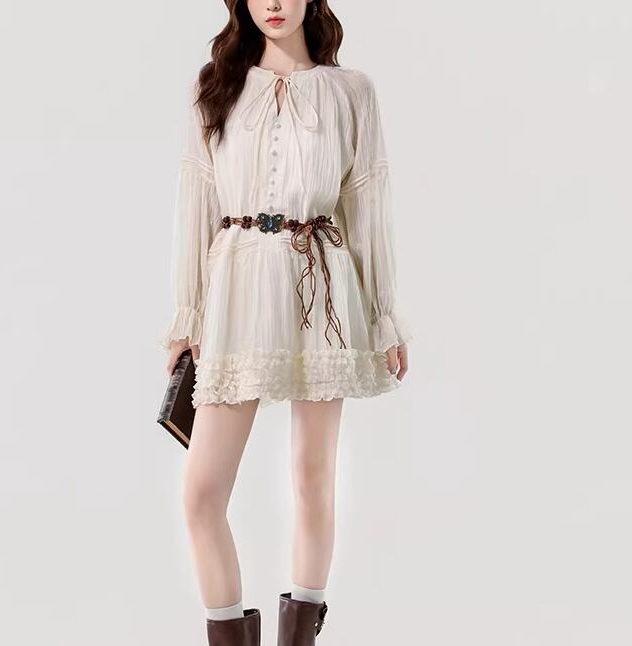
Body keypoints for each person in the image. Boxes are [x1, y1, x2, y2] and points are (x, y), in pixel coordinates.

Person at [159, 0, 413, 644]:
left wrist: (384, 316)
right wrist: (186, 316)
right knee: (201, 494)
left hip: (319, 287)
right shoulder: (215, 86)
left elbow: (367, 203)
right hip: (237, 287)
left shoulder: (351, 92)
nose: (273, 2)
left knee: (312, 476)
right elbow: (197, 199)